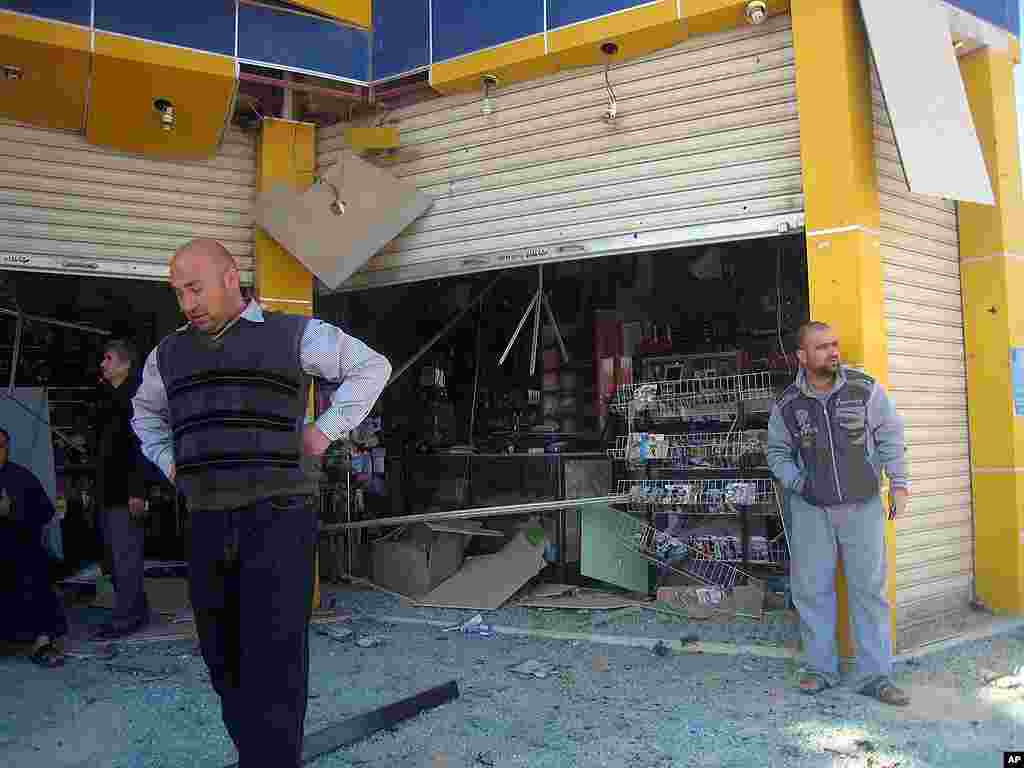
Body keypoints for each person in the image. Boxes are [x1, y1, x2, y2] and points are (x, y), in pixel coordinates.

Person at [132, 238, 390, 768]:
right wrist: (170, 461)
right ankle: (261, 757)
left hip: (277, 519)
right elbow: (145, 415)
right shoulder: (169, 354)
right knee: (222, 657)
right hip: (205, 520)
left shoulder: (292, 334)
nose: (186, 303)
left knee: (275, 657)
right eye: (178, 292)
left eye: (195, 288)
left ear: (231, 278)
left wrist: (323, 433)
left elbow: (371, 367)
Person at [767, 321, 910, 706]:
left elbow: (891, 435)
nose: (833, 352)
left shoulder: (865, 389)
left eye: (835, 344)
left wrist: (899, 483)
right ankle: (819, 669)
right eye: (822, 347)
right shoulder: (787, 405)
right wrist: (800, 484)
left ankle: (875, 676)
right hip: (811, 511)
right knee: (812, 592)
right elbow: (776, 454)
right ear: (802, 356)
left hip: (862, 507)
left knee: (869, 592)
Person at [93, 338, 151, 639]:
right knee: (116, 557)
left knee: (125, 556)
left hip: (126, 490)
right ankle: (136, 609)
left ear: (125, 363)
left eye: (108, 359)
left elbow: (142, 447)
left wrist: (138, 491)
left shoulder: (137, 397)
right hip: (108, 488)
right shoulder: (109, 397)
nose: (103, 364)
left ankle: (128, 616)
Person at [0, 427, 67, 667]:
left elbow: (46, 513)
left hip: (20, 545)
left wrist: (14, 512)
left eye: (3, 446)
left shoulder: (21, 477)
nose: (1, 451)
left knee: (35, 570)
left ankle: (42, 642)